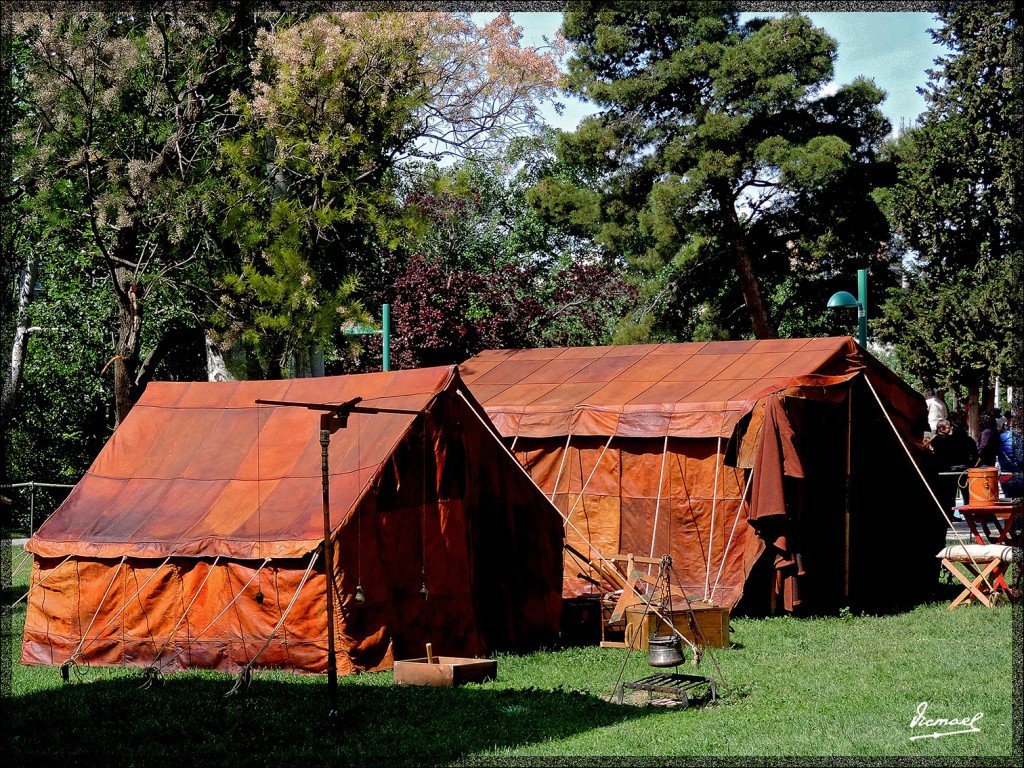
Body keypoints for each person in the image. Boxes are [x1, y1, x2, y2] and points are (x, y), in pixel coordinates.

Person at [929, 417, 977, 508]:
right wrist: (971, 466)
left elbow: (937, 457)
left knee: (950, 495)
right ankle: (970, 512)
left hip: (949, 471)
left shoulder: (938, 441)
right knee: (966, 493)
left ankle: (951, 514)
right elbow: (975, 455)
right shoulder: (968, 440)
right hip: (964, 469)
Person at [995, 415, 1022, 498]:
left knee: (1009, 503)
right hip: (1017, 475)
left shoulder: (995, 440)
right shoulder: (1014, 437)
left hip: (1004, 476)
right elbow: (1020, 458)